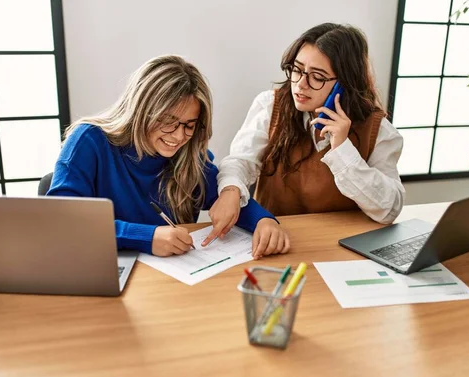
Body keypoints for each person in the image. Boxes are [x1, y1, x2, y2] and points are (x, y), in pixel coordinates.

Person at [47, 55, 289, 258]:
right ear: (142, 110)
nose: (179, 136)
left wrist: (264, 222)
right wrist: (146, 237)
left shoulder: (188, 155)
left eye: (189, 125)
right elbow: (63, 222)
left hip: (169, 281)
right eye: (168, 122)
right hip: (103, 269)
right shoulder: (89, 140)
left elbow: (225, 201)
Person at [202, 23, 405, 246]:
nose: (300, 84)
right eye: (297, 70)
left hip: (341, 247)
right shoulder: (270, 106)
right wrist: (231, 189)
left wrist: (342, 150)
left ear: (345, 84)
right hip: (274, 239)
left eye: (317, 77)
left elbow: (389, 210)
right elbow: (240, 162)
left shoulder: (379, 130)